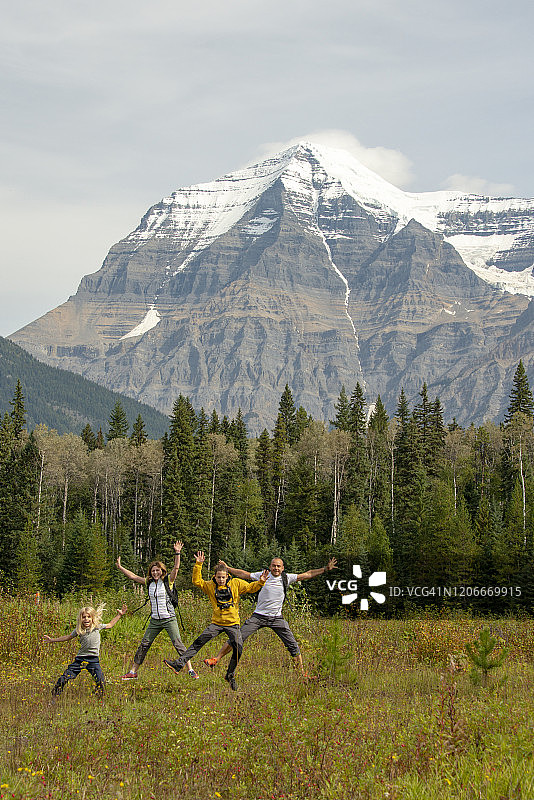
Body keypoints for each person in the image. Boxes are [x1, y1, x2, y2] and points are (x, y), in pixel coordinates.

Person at [205, 555, 337, 676]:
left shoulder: (286, 578)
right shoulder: (263, 575)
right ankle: (216, 659)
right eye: (274, 565)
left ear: (283, 568)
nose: (276, 568)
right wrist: (228, 568)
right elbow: (244, 574)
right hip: (258, 617)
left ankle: (301, 673)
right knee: (237, 637)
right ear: (270, 567)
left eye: (278, 566)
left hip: (276, 618)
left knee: (292, 644)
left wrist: (325, 569)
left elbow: (307, 574)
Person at [163, 552, 268, 690]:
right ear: (215, 576)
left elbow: (250, 588)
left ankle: (230, 675)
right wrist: (198, 564)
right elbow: (197, 581)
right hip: (216, 623)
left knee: (238, 648)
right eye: (218, 577)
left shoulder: (235, 583)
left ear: (227, 576)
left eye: (223, 577)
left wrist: (261, 581)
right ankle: (179, 664)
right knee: (199, 642)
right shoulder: (210, 586)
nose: (221, 580)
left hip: (232, 623)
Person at [116, 540, 198, 680]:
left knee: (178, 644)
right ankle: (133, 672)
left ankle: (190, 669)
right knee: (144, 644)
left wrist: (177, 552)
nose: (155, 573)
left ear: (162, 571)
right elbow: (133, 576)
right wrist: (120, 567)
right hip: (155, 620)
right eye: (153, 571)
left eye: (157, 570)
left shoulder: (167, 580)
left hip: (169, 618)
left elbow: (176, 569)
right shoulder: (148, 582)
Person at [44, 602, 127, 697]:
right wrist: (52, 640)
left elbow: (110, 625)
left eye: (88, 617)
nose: (86, 619)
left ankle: (99, 697)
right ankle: (55, 693)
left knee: (100, 680)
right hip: (80, 659)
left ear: (92, 618)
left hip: (93, 660)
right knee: (66, 676)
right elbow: (67, 637)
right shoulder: (79, 630)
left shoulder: (97, 627)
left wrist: (119, 615)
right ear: (81, 619)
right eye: (84, 617)